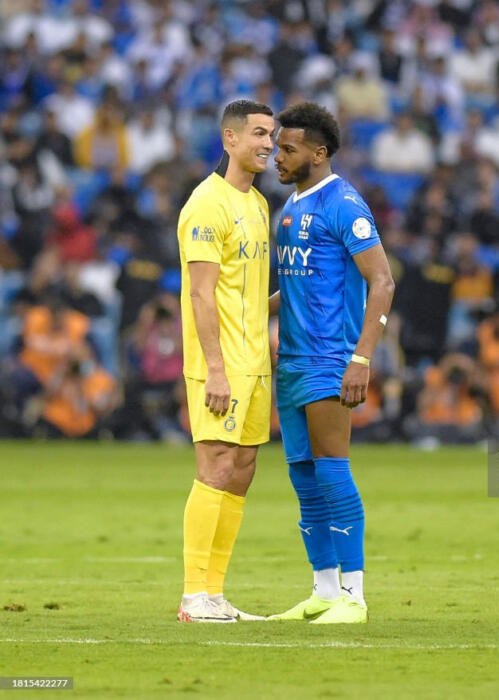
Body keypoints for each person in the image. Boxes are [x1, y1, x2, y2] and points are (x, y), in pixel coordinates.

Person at [267, 102, 394, 624]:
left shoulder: (344, 204)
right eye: (276, 146)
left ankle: (355, 597)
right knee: (303, 477)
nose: (276, 156)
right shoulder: (290, 207)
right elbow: (293, 291)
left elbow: (382, 282)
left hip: (329, 358)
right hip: (291, 360)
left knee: (334, 472)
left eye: (287, 148)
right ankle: (322, 590)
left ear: (319, 153)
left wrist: (361, 357)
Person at [176, 99, 275, 623]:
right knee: (214, 467)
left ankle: (215, 593)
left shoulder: (258, 204)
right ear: (229, 139)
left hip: (255, 361)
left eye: (272, 135)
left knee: (240, 471)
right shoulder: (206, 204)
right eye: (258, 133)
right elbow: (200, 294)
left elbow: (249, 294)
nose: (268, 143)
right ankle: (193, 596)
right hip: (222, 364)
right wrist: (215, 367)